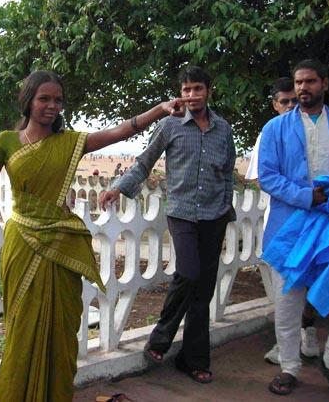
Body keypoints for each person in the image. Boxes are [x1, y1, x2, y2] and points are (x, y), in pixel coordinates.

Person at [0, 70, 196, 402]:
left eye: (58, 100)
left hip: (60, 242)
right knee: (22, 326)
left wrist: (158, 110)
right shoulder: (6, 141)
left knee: (60, 327)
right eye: (44, 98)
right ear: (28, 100)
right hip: (23, 243)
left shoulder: (69, 142)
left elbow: (120, 132)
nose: (52, 106)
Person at [100, 66, 236, 384]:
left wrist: (226, 205)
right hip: (183, 213)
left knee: (203, 291)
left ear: (208, 91)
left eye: (197, 89)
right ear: (181, 92)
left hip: (215, 214)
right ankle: (161, 337)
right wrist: (119, 187)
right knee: (188, 273)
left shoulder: (223, 129)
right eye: (186, 90)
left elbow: (227, 170)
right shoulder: (169, 125)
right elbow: (145, 161)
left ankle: (194, 360)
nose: (191, 96)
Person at [259, 59, 329, 398]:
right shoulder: (275, 129)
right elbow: (269, 176)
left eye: (310, 81)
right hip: (292, 225)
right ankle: (289, 367)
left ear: (324, 84)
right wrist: (306, 196)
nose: (303, 88)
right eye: (299, 82)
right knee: (288, 301)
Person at [246, 78, 320, 364]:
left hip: (315, 220)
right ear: (275, 104)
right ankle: (285, 346)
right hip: (282, 222)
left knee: (312, 281)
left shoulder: (319, 131)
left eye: (294, 100)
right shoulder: (270, 134)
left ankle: (309, 331)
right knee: (285, 287)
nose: (290, 105)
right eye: (284, 101)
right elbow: (261, 179)